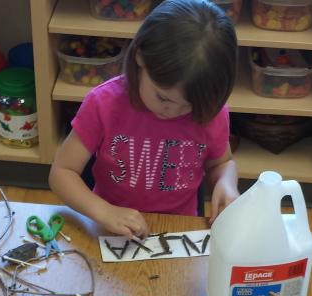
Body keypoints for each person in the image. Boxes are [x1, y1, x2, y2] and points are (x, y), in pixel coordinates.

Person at [48, 0, 239, 238]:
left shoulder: (210, 111)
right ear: (140, 56)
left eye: (188, 106)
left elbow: (222, 163)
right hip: (111, 228)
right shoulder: (104, 104)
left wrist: (227, 183)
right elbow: (62, 173)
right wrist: (104, 212)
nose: (173, 111)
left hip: (178, 231)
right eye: (163, 98)